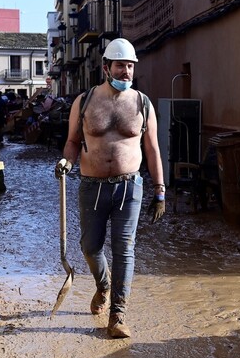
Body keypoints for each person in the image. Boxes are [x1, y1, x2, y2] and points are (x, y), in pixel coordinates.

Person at [54, 38, 165, 338]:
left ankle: (118, 315)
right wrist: (66, 163)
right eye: (121, 65)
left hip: (130, 187)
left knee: (124, 250)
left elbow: (152, 149)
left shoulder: (142, 103)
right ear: (106, 67)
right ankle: (103, 285)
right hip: (92, 187)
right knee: (89, 247)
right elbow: (73, 143)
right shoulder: (85, 101)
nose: (126, 71)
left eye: (130, 66)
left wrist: (160, 191)